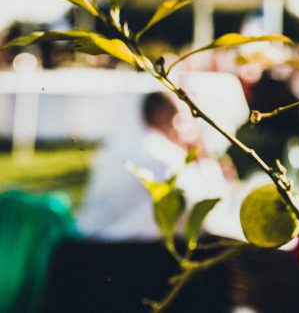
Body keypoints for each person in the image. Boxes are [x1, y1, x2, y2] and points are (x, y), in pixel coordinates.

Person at [76, 91, 228, 240]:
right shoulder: (166, 155)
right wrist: (206, 163)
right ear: (167, 116)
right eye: (182, 119)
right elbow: (204, 219)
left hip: (90, 241)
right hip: (135, 250)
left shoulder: (114, 148)